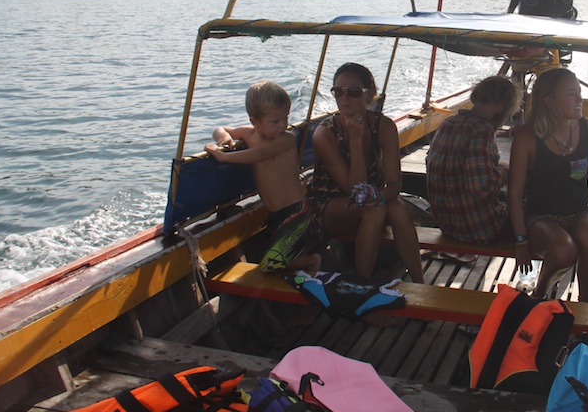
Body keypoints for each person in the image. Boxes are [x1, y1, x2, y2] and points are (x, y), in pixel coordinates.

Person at [507, 68, 588, 302]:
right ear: (549, 101)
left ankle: (585, 302)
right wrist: (521, 240)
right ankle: (539, 296)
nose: (580, 99)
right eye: (572, 94)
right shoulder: (527, 136)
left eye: (579, 92)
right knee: (564, 251)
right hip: (540, 217)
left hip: (579, 211)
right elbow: (515, 193)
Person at [306, 63, 425, 285]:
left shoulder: (384, 126)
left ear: (369, 94)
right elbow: (353, 189)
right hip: (328, 206)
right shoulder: (324, 134)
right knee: (376, 211)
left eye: (353, 91)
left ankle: (420, 283)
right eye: (338, 92)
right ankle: (362, 288)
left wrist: (380, 197)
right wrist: (356, 140)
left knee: (396, 208)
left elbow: (394, 184)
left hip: (371, 201)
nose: (344, 98)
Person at [204, 80, 321, 273]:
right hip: (275, 213)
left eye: (285, 118)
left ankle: (312, 261)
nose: (282, 125)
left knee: (268, 265)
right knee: (272, 259)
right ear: (255, 122)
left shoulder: (286, 139)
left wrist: (224, 156)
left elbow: (260, 154)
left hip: (295, 210)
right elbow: (220, 128)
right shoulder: (249, 134)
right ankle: (299, 267)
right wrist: (224, 139)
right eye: (275, 121)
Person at [426, 76, 522, 244]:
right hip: (477, 227)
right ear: (502, 106)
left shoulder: (449, 122)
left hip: (446, 223)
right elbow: (480, 187)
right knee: (527, 209)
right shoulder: (482, 130)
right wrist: (505, 172)